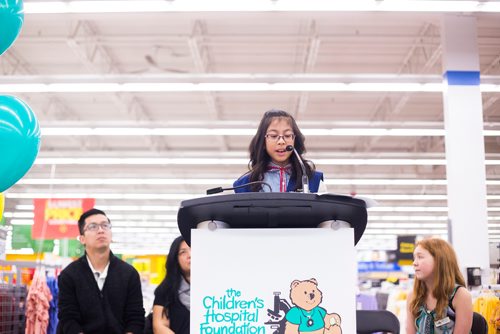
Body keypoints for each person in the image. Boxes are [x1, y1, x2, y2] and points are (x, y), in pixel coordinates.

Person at [57, 208, 145, 334]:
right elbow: (68, 319)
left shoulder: (129, 274)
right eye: (93, 227)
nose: (101, 230)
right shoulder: (69, 275)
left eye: (105, 225)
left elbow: (135, 317)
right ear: (82, 239)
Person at [233, 109, 325, 193]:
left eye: (288, 135)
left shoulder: (315, 181)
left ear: (294, 140)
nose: (281, 141)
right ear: (263, 142)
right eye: (273, 136)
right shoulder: (243, 185)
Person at [406, 237, 473, 334]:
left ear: (439, 260)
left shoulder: (460, 295)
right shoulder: (413, 296)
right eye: (414, 258)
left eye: (420, 257)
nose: (414, 263)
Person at [152, 236, 191, 334]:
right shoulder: (166, 290)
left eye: (193, 249)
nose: (190, 255)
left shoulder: (216, 287)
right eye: (183, 252)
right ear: (176, 259)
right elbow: (159, 326)